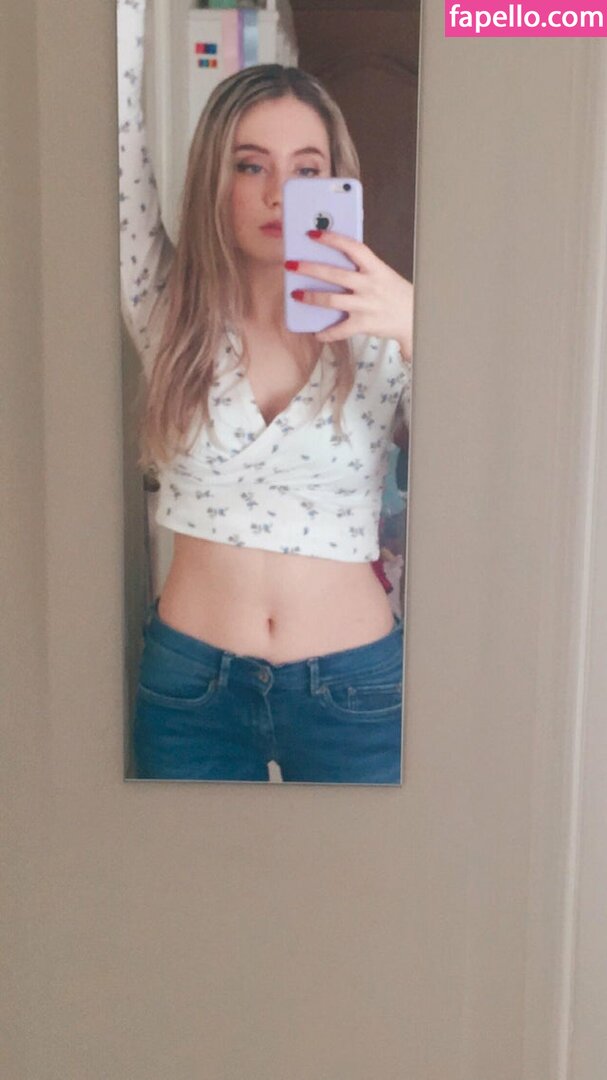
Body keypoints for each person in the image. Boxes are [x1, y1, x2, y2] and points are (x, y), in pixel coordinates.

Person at [117, 0, 413, 784]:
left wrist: (419, 325)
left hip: (355, 687)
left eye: (306, 171)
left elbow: (495, 467)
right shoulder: (169, 311)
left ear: (335, 182)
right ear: (215, 179)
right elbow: (112, 134)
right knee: (188, 870)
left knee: (365, 871)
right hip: (191, 690)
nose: (279, 193)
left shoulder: (384, 324)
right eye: (251, 166)